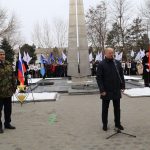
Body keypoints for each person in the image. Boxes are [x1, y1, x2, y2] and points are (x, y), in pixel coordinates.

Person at [96, 48, 125, 131]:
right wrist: (102, 90)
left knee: (117, 108)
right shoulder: (101, 64)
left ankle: (118, 124)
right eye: (110, 53)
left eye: (112, 53)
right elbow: (99, 78)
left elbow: (121, 75)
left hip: (116, 89)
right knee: (105, 109)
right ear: (105, 53)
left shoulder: (117, 63)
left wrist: (122, 86)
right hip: (106, 90)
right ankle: (105, 124)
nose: (112, 54)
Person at [0, 49, 17, 134]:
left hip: (8, 92)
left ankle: (7, 123)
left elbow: (12, 76)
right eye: (0, 54)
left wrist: (14, 86)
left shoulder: (8, 64)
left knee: (8, 110)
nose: (2, 56)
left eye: (3, 54)